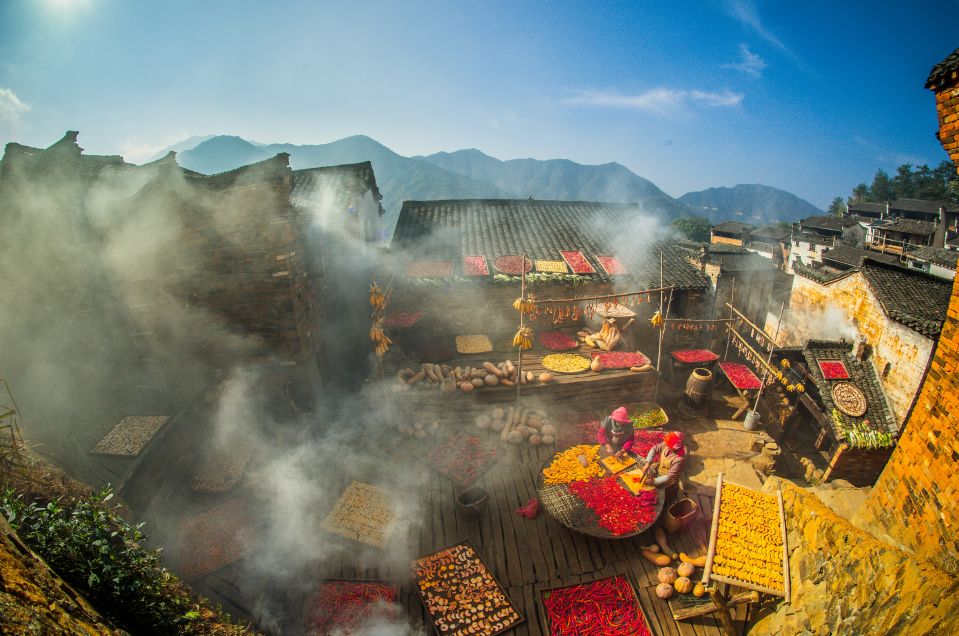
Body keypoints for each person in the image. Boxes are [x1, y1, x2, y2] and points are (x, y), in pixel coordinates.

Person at [644, 431, 688, 500]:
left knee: (661, 495)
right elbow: (654, 449)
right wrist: (647, 464)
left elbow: (670, 476)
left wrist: (655, 481)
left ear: (676, 447)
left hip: (668, 479)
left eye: (669, 446)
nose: (666, 446)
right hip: (659, 467)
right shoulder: (668, 444)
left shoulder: (679, 458)